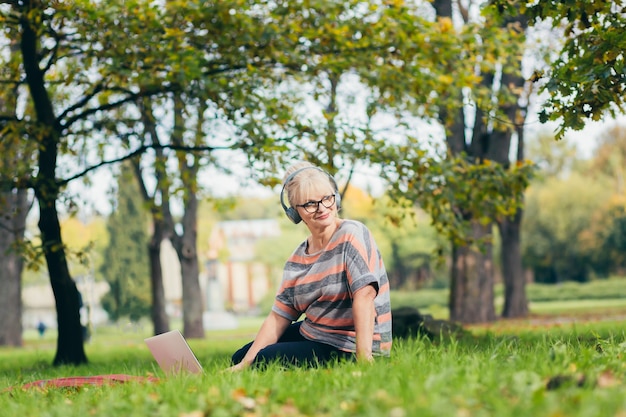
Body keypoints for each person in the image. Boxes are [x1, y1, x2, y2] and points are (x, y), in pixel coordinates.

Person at [228, 161, 392, 371]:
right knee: (240, 357)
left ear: (335, 197)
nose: (322, 208)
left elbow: (365, 296)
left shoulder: (352, 234)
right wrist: (245, 363)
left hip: (349, 345)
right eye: (310, 204)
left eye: (327, 198)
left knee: (266, 359)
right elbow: (279, 315)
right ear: (295, 213)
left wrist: (364, 361)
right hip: (316, 333)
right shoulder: (297, 258)